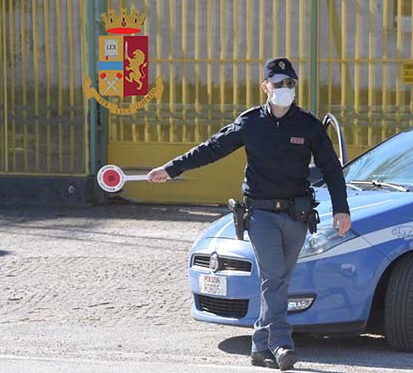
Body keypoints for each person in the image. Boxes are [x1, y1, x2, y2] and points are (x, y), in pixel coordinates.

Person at [147, 57, 351, 371]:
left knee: (280, 280)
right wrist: (171, 169)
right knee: (273, 277)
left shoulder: (308, 125)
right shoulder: (251, 122)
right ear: (264, 87)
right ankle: (282, 343)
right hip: (262, 215)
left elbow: (332, 169)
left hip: (297, 215)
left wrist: (341, 209)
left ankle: (259, 346)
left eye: (290, 84)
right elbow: (212, 148)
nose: (285, 89)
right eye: (279, 83)